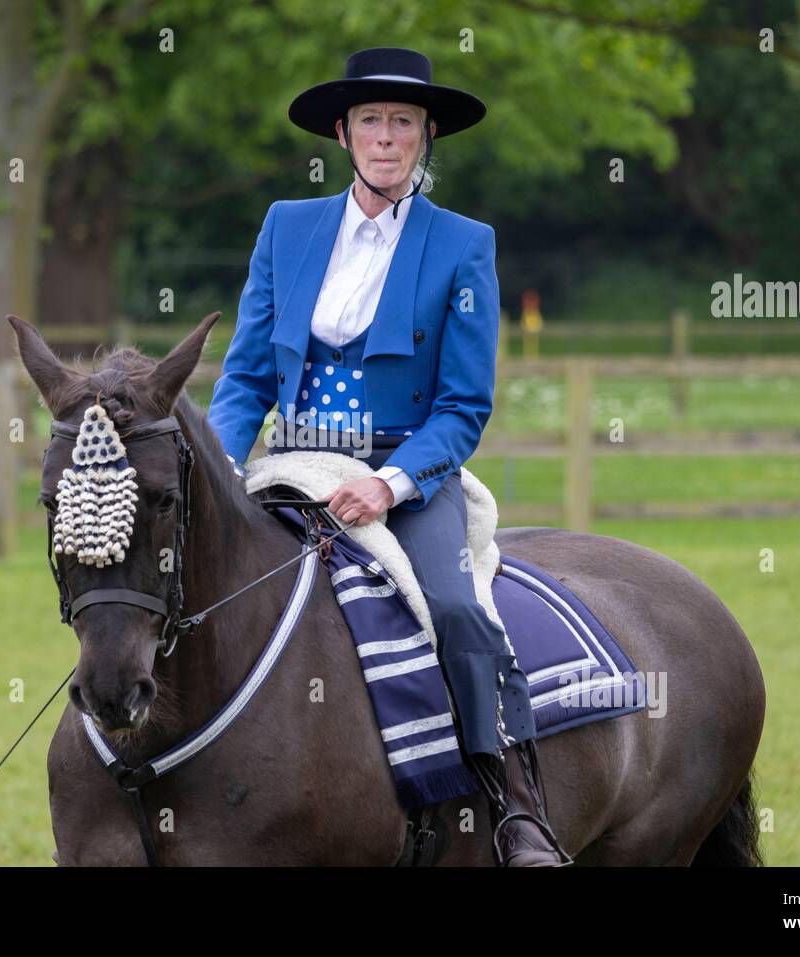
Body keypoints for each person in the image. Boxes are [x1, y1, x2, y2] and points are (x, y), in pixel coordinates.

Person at [207, 47, 572, 866]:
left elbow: (462, 406)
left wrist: (390, 481)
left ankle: (513, 801)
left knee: (453, 603)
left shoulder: (464, 244)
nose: (385, 136)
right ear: (342, 133)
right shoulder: (286, 227)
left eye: (402, 122)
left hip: (401, 470)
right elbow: (245, 379)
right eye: (370, 119)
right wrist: (221, 466)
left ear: (425, 135)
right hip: (291, 460)